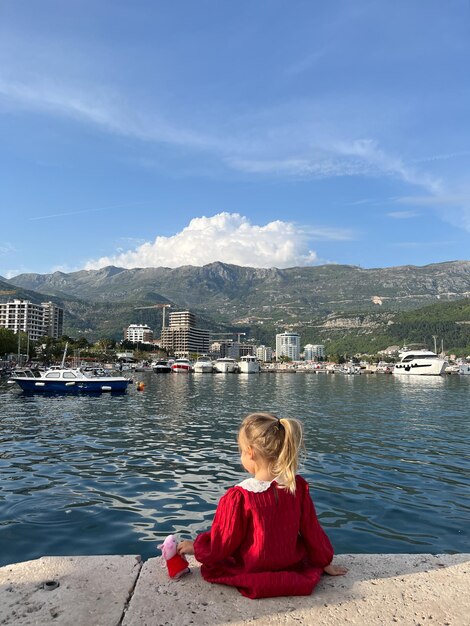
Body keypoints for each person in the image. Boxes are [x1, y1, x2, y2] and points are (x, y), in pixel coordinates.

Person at [177, 412, 347, 599]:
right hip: (290, 565)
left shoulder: (239, 497)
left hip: (253, 568)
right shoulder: (296, 487)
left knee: (221, 564)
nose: (241, 456)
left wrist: (197, 547)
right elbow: (312, 530)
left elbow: (222, 544)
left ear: (250, 452)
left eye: (241, 451)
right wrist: (324, 562)